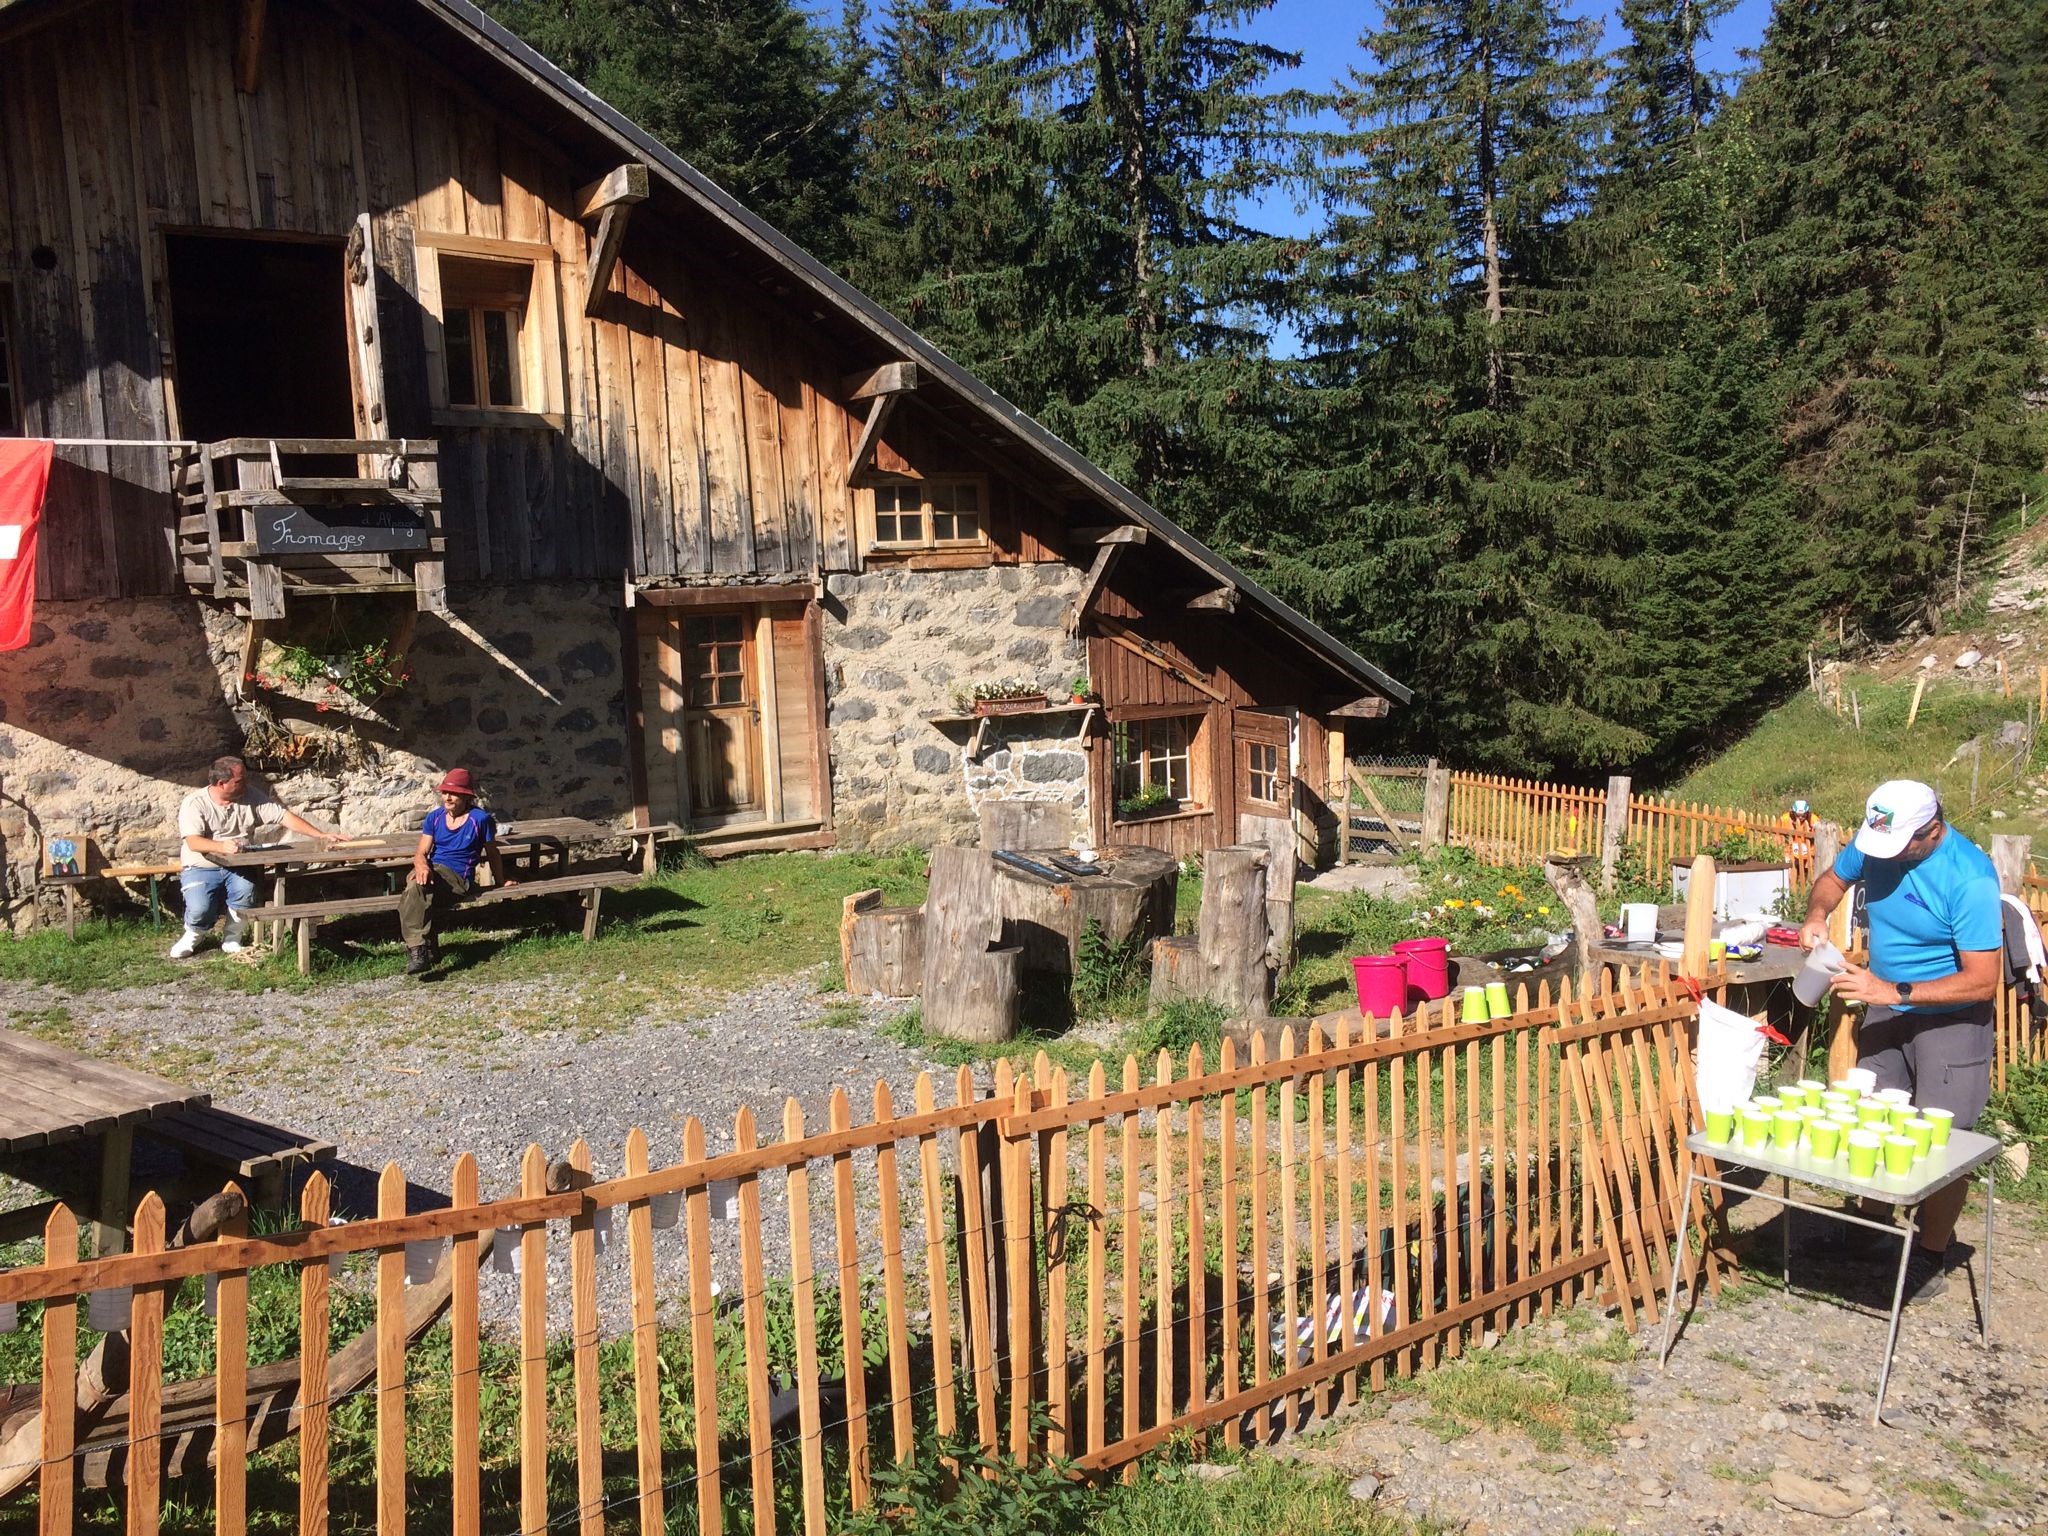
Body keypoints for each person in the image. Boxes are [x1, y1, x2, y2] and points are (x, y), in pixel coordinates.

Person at [1799, 779, 2001, 1302]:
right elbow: (1831, 880)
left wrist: (1891, 990)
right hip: (1886, 1002)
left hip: (1951, 1018)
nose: (1885, 855)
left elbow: (1983, 980)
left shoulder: (1969, 877)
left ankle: (1932, 1253)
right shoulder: (1876, 843)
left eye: (1900, 845)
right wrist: (1817, 915)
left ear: (1932, 830)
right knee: (1873, 1116)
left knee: (1943, 1136)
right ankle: (1869, 1231)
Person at [174, 755, 337, 959]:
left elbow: (282, 816)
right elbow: (193, 842)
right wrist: (221, 846)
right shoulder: (195, 803)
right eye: (240, 780)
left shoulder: (250, 795)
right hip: (202, 866)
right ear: (221, 783)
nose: (246, 783)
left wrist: (320, 835)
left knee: (245, 893)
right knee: (200, 908)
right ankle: (193, 936)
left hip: (240, 864)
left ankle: (232, 938)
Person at [399, 768, 511, 974]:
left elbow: (492, 853)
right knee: (415, 884)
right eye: (445, 793)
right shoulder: (434, 817)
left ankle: (420, 949)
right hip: (433, 870)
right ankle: (423, 950)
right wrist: (422, 865)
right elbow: (421, 852)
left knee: (414, 891)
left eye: (454, 793)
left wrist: (500, 881)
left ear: (466, 796)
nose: (448, 797)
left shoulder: (480, 820)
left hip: (458, 877)